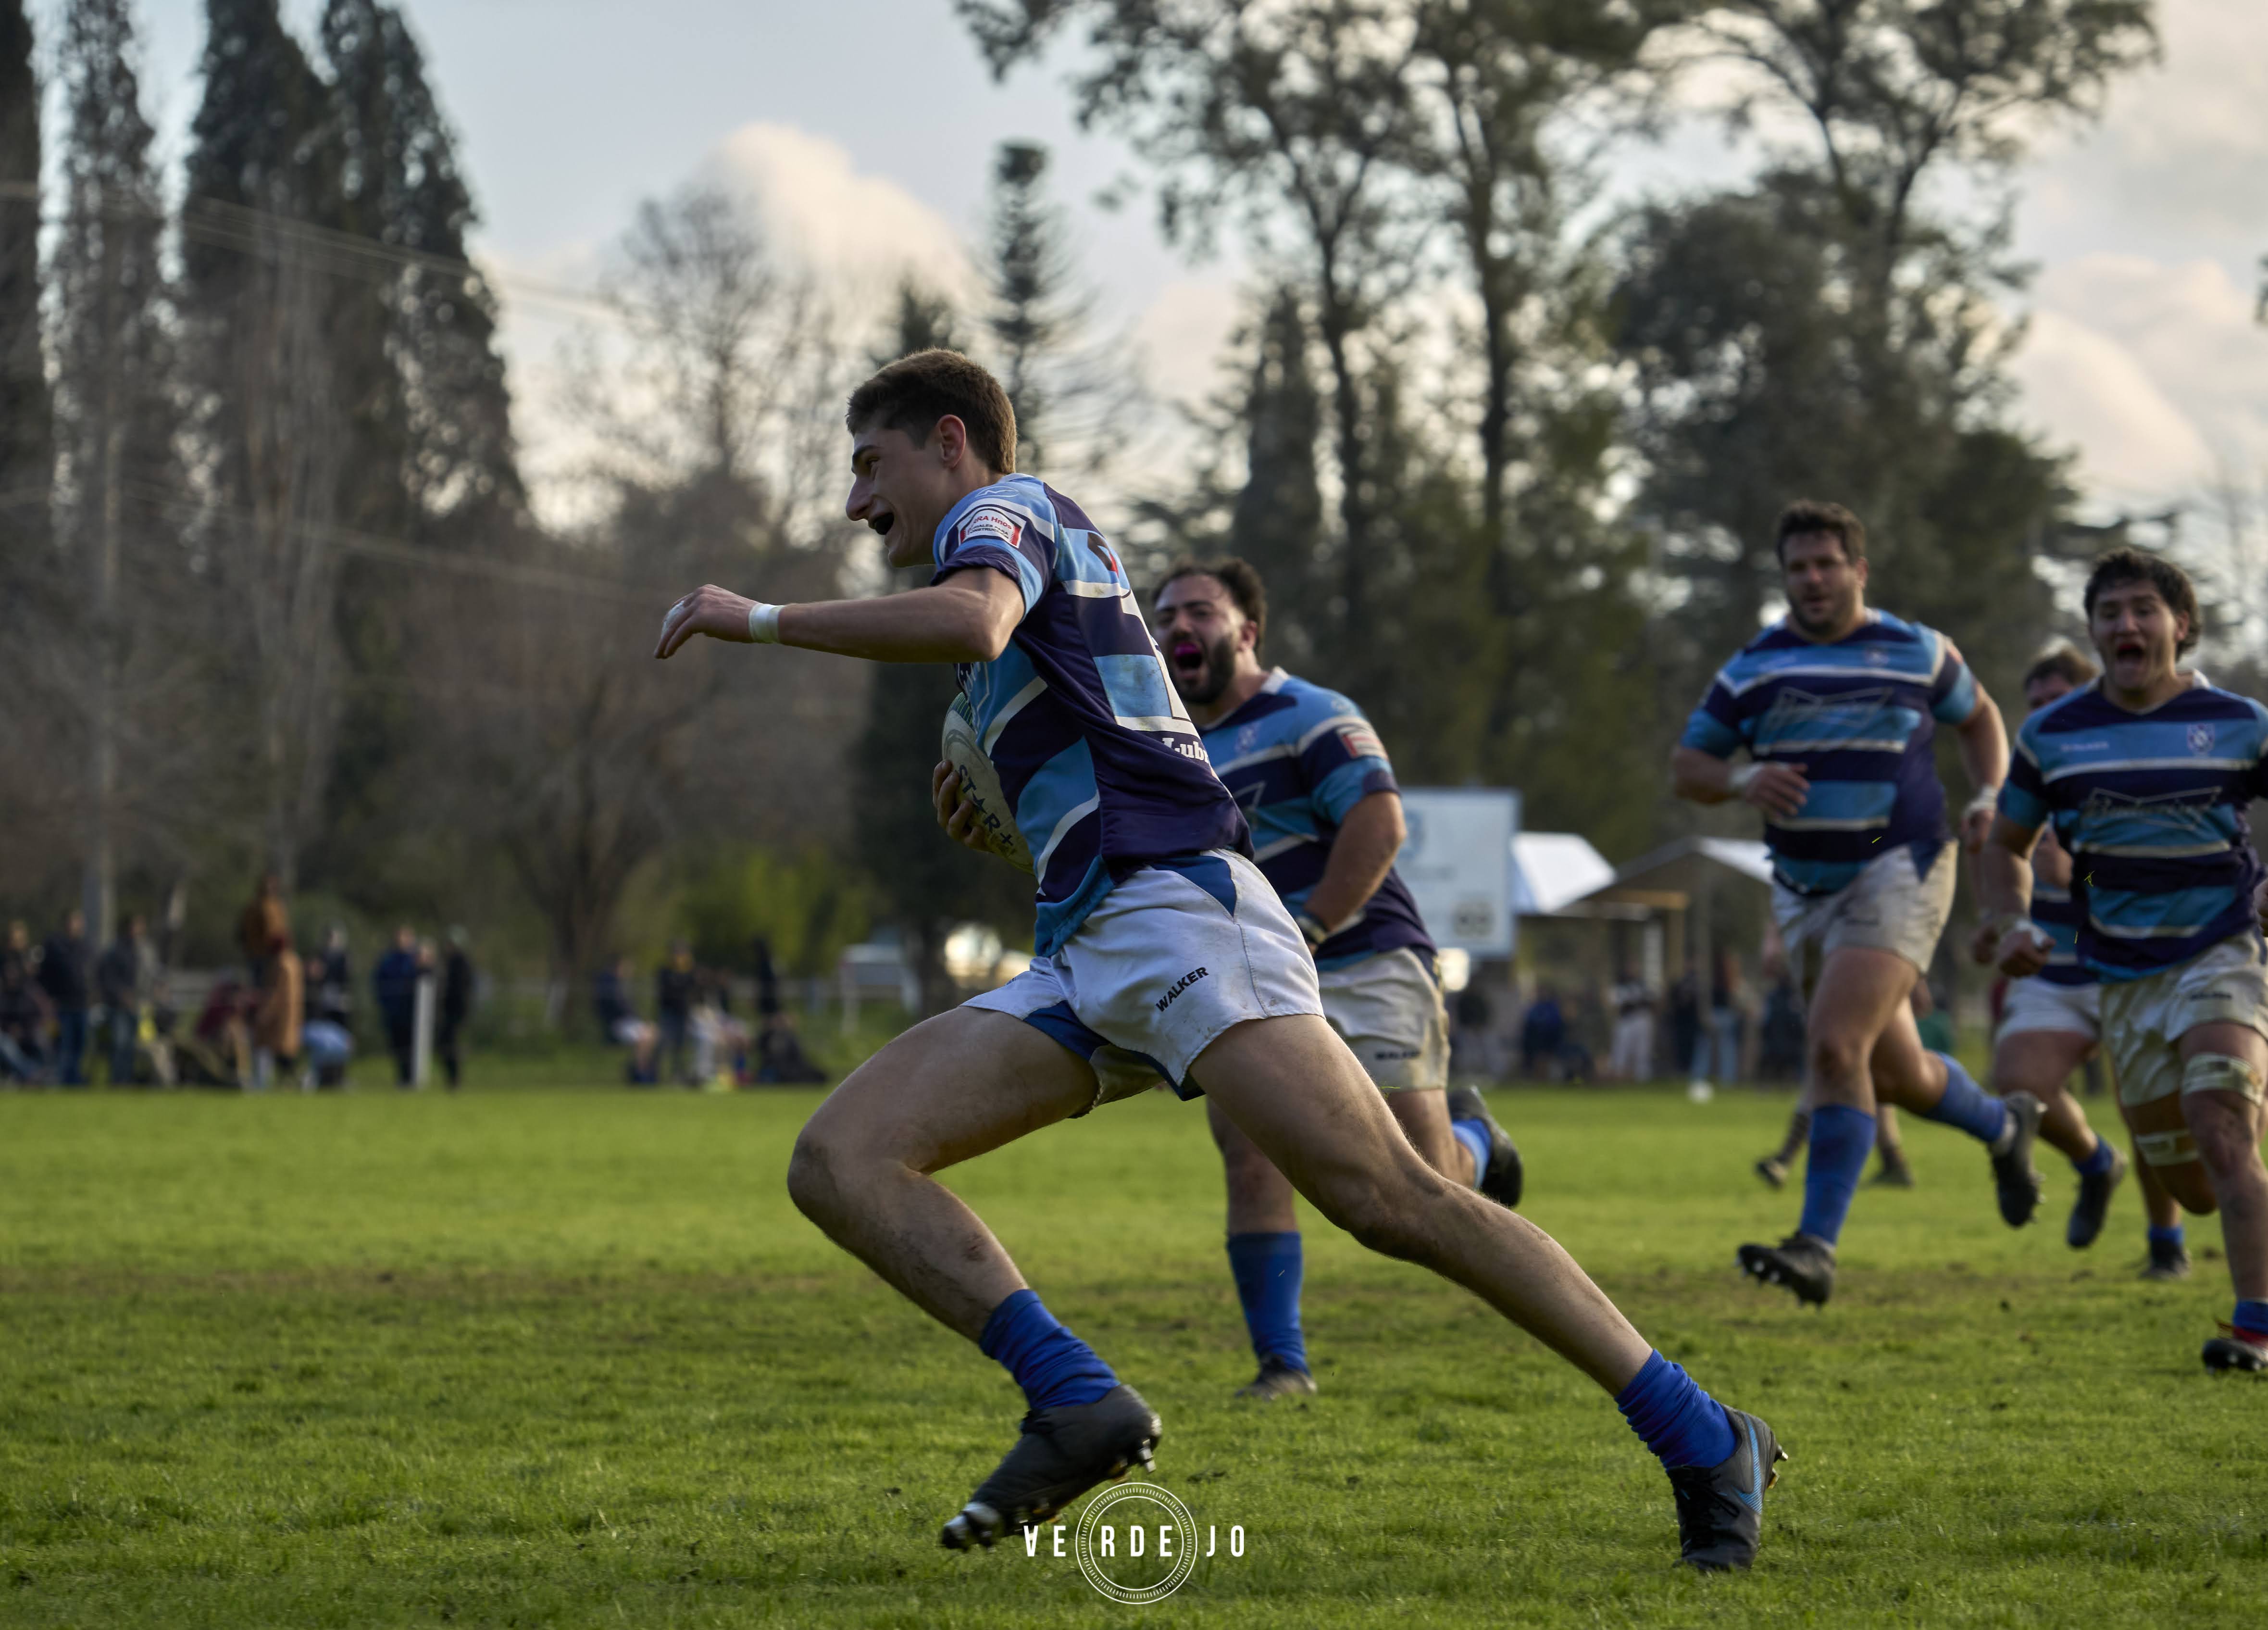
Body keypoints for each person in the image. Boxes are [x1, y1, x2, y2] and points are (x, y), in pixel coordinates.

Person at [652, 348, 1781, 1568]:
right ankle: (1078, 1401)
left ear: (950, 441)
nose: (857, 501)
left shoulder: (1010, 512)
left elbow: (976, 618)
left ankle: (1704, 1430)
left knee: (1392, 1201)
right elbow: (1041, 725)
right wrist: (998, 811)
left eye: (870, 466)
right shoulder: (985, 653)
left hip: (1182, 913)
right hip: (1091, 948)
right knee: (842, 1158)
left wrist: (755, 618)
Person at [1150, 557, 1524, 1401]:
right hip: (1250, 981)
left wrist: (1310, 926)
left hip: (1361, 956)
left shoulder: (1310, 713)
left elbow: (1378, 821)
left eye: (1199, 612)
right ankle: (1282, 1367)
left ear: (1245, 632)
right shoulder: (1171, 747)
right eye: (1164, 613)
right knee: (1250, 1156)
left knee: (1416, 1185)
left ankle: (1476, 1147)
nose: (1177, 626)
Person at [1671, 499, 2033, 1307]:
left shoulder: (1915, 651)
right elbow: (1686, 765)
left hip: (1899, 864)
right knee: (1893, 1072)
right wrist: (1738, 778)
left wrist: (1988, 793)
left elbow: (1978, 717)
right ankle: (2004, 1128)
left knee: (1835, 1049)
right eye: (1796, 568)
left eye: (1825, 565)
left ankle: (1815, 1247)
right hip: (1803, 886)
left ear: (1857, 571)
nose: (1810, 580)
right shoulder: (1753, 668)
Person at [1979, 550, 2268, 1371]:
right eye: (2109, 613)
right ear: (2093, 630)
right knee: (2192, 1187)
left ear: (2180, 625)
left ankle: (2254, 1330)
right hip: (2122, 976)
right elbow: (2005, 845)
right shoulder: (2050, 735)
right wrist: (2007, 921)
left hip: (2218, 951)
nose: (2125, 626)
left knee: (2220, 1128)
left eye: (2143, 609)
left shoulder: (2239, 720)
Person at [1957, 644, 2140, 1254]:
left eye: (2055, 700)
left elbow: (2154, 879)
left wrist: (2077, 876)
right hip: (2051, 972)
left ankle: (2166, 1241)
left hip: (2136, 966)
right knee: (2016, 1083)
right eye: (2033, 704)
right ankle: (2095, 1164)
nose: (2041, 713)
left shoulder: (2126, 769)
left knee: (2146, 1109)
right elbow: (2000, 865)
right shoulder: (2027, 778)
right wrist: (1993, 925)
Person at [96, 913, 153, 1087]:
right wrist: (121, 995)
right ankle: (118, 1079)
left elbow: (151, 975)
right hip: (119, 1006)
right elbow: (107, 978)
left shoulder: (144, 950)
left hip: (138, 1005)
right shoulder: (115, 951)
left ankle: (128, 1078)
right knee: (120, 1044)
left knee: (131, 1046)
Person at [37, 909, 92, 1087]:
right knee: (64, 1047)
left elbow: (91, 975)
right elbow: (44, 976)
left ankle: (74, 1080)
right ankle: (61, 1081)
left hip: (82, 1004)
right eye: (72, 921)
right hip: (62, 1005)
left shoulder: (85, 948)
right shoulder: (55, 946)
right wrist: (49, 999)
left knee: (79, 1046)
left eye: (78, 921)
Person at [251, 935, 304, 1092]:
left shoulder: (281, 964)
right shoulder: (295, 962)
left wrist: (265, 1012)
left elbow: (276, 992)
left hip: (278, 1018)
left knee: (267, 1048)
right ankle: (297, 1081)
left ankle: (262, 1083)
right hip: (291, 1015)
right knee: (284, 1054)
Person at [372, 926, 421, 1087]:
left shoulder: (416, 959)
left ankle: (414, 1078)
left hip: (413, 1012)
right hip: (394, 1012)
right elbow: (379, 982)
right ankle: (402, 1079)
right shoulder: (389, 961)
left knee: (413, 1046)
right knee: (398, 1047)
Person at [439, 928, 476, 1091]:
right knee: (447, 1045)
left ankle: (454, 1079)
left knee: (450, 1045)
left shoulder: (460, 964)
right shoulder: (452, 963)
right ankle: (452, 1079)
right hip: (451, 1011)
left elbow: (459, 990)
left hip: (455, 1012)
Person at [656, 942, 697, 1085]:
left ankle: (677, 1075)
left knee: (680, 1047)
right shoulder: (665, 972)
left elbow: (692, 989)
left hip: (683, 1014)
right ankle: (658, 1076)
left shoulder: (689, 973)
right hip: (668, 1013)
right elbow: (666, 993)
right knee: (664, 1043)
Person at [1609, 970, 1656, 1082]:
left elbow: (1652, 1001)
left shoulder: (1642, 986)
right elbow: (1616, 1004)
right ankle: (1620, 1077)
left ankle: (1643, 1077)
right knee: (1621, 1050)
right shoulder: (1620, 988)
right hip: (1626, 1020)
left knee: (1643, 1051)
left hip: (1642, 1018)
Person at [1520, 986, 1566, 1079]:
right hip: (1536, 1040)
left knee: (1546, 1060)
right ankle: (1537, 1077)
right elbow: (1529, 1023)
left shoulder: (1553, 1007)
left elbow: (1557, 1024)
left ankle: (1546, 1078)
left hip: (1550, 1039)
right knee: (1539, 1059)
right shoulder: (1535, 1008)